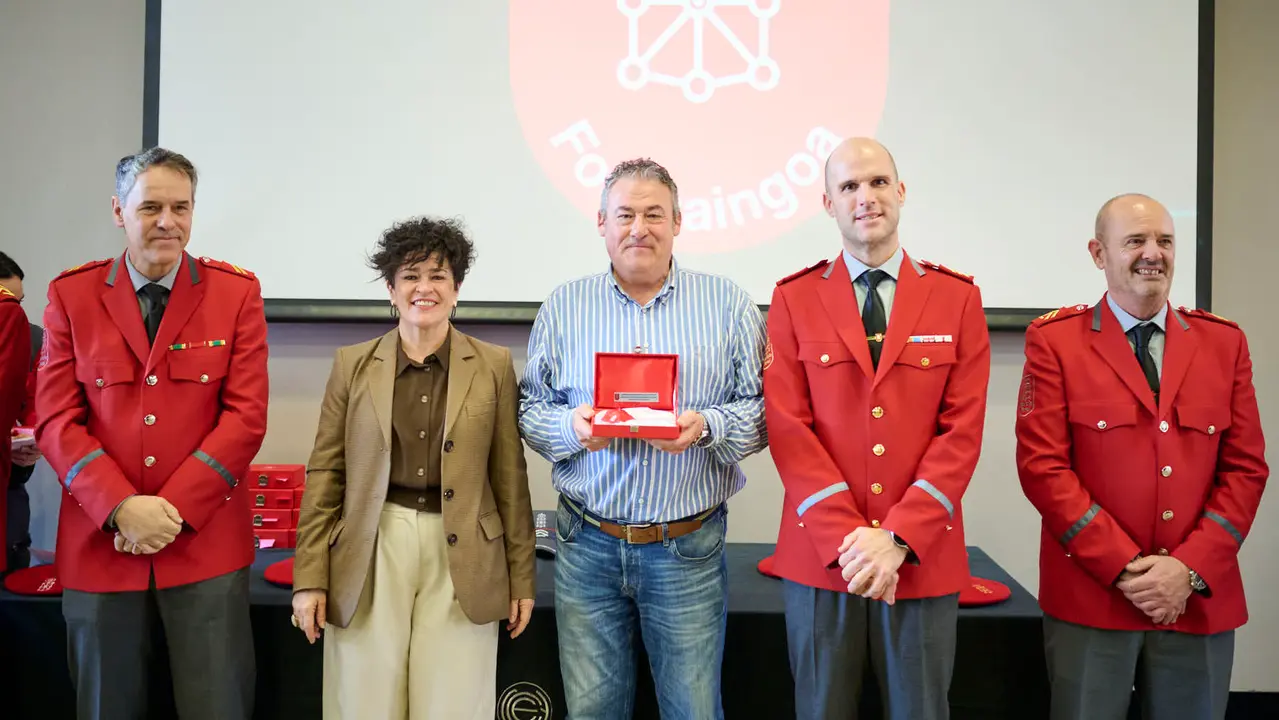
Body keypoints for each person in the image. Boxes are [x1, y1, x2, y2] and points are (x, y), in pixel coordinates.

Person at [518, 157, 768, 719]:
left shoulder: (727, 304)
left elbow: (762, 413)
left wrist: (705, 427)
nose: (639, 228)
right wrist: (572, 429)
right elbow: (530, 410)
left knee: (693, 711)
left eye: (654, 214)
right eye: (625, 214)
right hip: (586, 543)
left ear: (678, 222)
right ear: (601, 223)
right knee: (592, 713)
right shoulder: (564, 305)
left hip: (686, 547)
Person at [1014, 193, 1268, 720]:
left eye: (1165, 241)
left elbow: (1245, 468)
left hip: (1195, 598)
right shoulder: (1055, 340)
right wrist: (1127, 569)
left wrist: (1187, 569)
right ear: (1098, 253)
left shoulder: (1224, 343)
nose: (1153, 253)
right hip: (1094, 599)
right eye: (1135, 241)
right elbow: (1044, 469)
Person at [34, 148, 268, 719]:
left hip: (203, 543)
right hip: (100, 544)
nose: (169, 221)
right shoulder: (72, 296)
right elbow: (56, 420)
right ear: (119, 211)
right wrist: (121, 508)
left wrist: (170, 511)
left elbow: (245, 416)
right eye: (152, 207)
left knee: (218, 706)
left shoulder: (235, 293)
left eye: (181, 207)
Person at [762, 137, 991, 720]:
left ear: (902, 192)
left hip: (920, 557)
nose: (866, 197)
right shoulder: (793, 299)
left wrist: (896, 538)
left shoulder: (957, 298)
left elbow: (961, 432)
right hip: (822, 557)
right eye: (849, 186)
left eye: (878, 182)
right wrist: (855, 542)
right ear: (828, 204)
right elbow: (789, 428)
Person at [291, 216, 536, 720]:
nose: (424, 287)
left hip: (466, 548)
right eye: (410, 276)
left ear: (457, 288)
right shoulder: (352, 364)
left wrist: (522, 578)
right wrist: (309, 577)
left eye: (438, 276)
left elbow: (510, 478)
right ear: (391, 288)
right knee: (363, 700)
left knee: (453, 703)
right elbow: (325, 476)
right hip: (373, 543)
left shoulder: (492, 365)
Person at [0, 252, 42, 572]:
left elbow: (38, 400)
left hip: (13, 482)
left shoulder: (34, 336)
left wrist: (32, 439)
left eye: (19, 301)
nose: (15, 310)